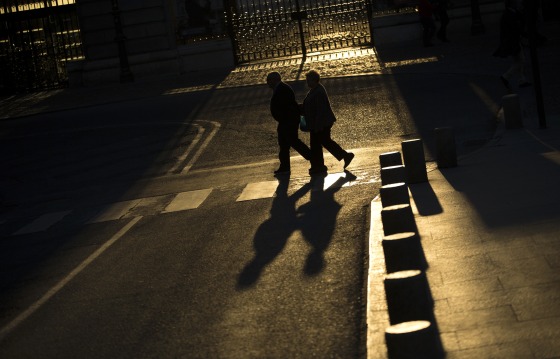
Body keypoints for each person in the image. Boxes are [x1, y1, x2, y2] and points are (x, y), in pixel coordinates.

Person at [302, 70, 354, 176]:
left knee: (319, 143)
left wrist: (317, 125)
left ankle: (319, 165)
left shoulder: (318, 91)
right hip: (319, 122)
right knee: (322, 142)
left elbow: (321, 110)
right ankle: (321, 164)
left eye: (308, 80)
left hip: (322, 123)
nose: (307, 83)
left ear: (314, 80)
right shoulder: (315, 90)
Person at [266, 72, 312, 175]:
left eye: (269, 80)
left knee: (293, 142)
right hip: (285, 121)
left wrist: (283, 118)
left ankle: (311, 157)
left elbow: (286, 106)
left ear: (275, 79)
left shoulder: (282, 89)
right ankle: (285, 166)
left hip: (288, 121)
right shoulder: (280, 88)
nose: (268, 83)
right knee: (284, 144)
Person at [493, 0, 531, 91]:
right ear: (511, 3)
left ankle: (522, 80)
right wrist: (524, 34)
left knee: (518, 60)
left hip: (513, 41)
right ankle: (506, 76)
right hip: (512, 42)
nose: (518, 3)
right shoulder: (509, 14)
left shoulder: (512, 13)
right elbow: (515, 28)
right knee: (520, 60)